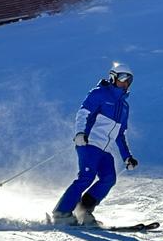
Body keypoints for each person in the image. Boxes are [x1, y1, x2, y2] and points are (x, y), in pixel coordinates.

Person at [49, 62, 139, 226]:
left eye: (129, 80)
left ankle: (83, 211)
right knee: (86, 177)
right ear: (113, 78)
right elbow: (83, 113)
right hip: (89, 143)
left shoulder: (124, 106)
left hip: (106, 150)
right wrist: (80, 133)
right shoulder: (99, 94)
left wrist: (127, 157)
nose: (125, 83)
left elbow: (120, 134)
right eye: (122, 78)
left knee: (109, 178)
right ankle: (61, 212)